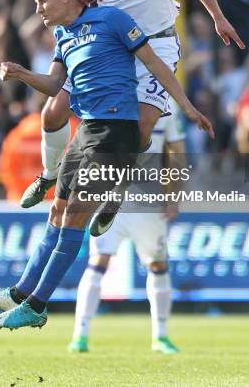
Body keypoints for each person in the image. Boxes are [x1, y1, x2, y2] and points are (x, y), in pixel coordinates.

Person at [0, 0, 214, 330]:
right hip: (85, 131)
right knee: (57, 211)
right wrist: (21, 74)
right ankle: (20, 292)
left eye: (42, 0)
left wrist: (188, 107)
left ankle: (37, 304)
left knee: (75, 217)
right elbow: (56, 86)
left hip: (116, 132)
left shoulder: (112, 20)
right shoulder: (63, 36)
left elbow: (156, 64)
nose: (38, 9)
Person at [20, 0, 244, 214]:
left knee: (140, 130)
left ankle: (118, 189)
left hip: (158, 40)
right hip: (114, 45)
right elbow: (82, 9)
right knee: (52, 113)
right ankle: (49, 174)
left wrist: (217, 16)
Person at [68, 99, 185, 355]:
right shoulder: (160, 102)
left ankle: (158, 337)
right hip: (120, 197)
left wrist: (173, 197)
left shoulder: (115, 97)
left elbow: (175, 153)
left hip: (141, 200)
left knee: (144, 264)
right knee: (101, 262)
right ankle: (81, 335)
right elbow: (177, 152)